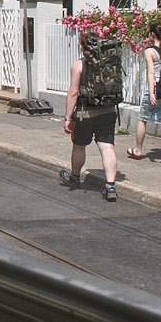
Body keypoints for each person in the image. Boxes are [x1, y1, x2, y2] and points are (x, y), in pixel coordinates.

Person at [61, 30, 119, 202]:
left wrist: (68, 118)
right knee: (107, 147)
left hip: (85, 113)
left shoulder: (79, 65)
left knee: (79, 145)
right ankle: (110, 186)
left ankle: (75, 176)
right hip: (108, 110)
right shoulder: (109, 63)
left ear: (82, 46)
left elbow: (73, 92)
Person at [127, 23, 161, 165]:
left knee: (143, 118)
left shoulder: (150, 51)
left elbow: (151, 72)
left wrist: (151, 92)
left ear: (152, 34)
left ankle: (138, 149)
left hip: (156, 89)